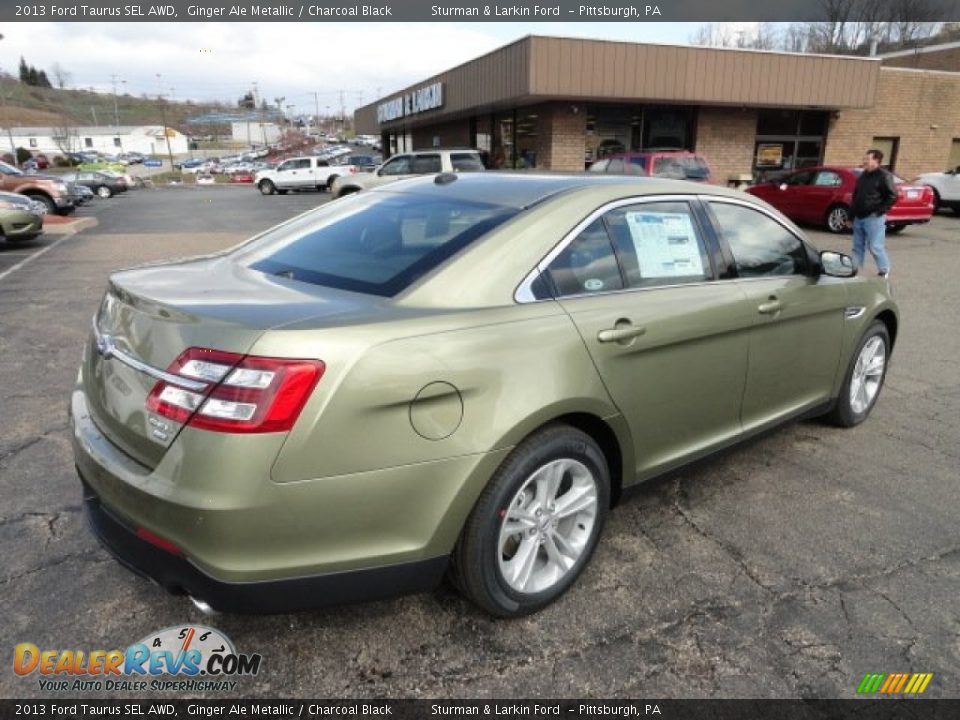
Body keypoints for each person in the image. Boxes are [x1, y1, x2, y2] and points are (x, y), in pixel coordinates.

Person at [850, 149, 898, 278]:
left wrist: (879, 211)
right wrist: (851, 215)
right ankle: (855, 270)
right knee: (857, 246)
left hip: (873, 218)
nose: (864, 161)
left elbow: (892, 196)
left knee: (875, 246)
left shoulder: (884, 176)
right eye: (864, 158)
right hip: (859, 217)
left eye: (867, 159)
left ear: (876, 160)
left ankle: (884, 269)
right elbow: (856, 196)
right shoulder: (863, 176)